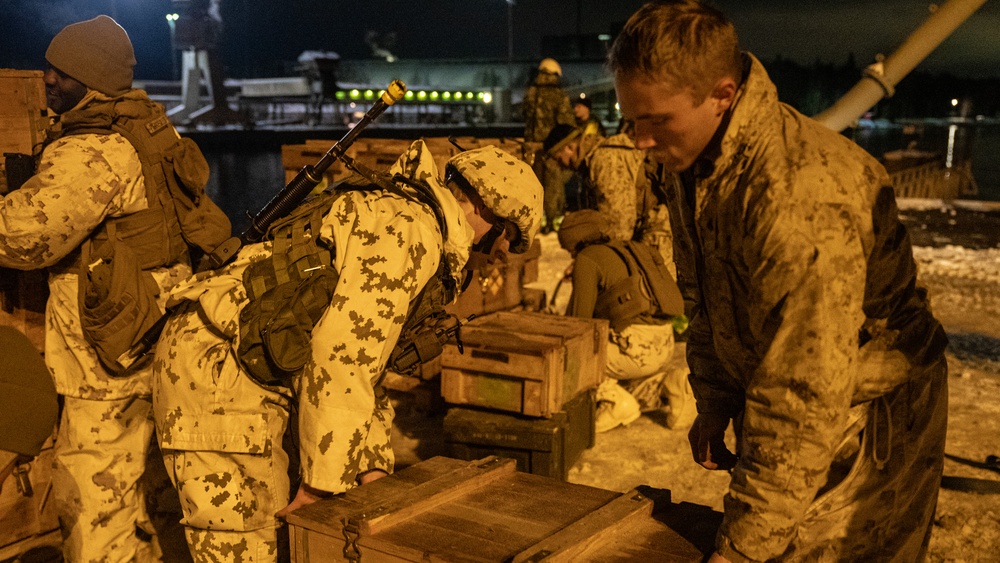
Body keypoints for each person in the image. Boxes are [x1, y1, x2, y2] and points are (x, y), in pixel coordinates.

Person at [609, 2, 949, 561]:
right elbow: (706, 296)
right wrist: (715, 399)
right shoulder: (691, 158)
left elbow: (804, 390)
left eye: (657, 120)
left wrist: (743, 548)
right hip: (786, 391)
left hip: (868, 418)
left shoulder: (798, 196)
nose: (640, 140)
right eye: (632, 118)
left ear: (722, 94)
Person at [151, 141, 543, 561]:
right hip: (220, 378)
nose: (502, 254)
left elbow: (366, 365)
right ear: (493, 216)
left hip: (238, 366)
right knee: (251, 546)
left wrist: (371, 465)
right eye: (510, 240)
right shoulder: (409, 231)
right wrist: (322, 485)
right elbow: (342, 357)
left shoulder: (406, 214)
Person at [0, 15, 231, 562]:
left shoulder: (94, 150)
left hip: (107, 355)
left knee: (94, 492)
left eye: (61, 73)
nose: (48, 80)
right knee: (145, 489)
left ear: (94, 80)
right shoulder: (147, 126)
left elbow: (27, 235)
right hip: (154, 330)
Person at [558, 210, 695, 433]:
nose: (571, 255)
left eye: (568, 249)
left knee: (566, 360)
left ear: (576, 241)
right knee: (622, 377)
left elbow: (577, 324)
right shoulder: (629, 249)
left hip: (633, 349)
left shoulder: (587, 258)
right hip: (663, 344)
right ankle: (670, 384)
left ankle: (615, 403)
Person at [542, 123, 605, 216]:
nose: (561, 167)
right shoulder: (587, 165)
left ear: (570, 147)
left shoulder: (602, 159)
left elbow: (616, 217)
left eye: (559, 160)